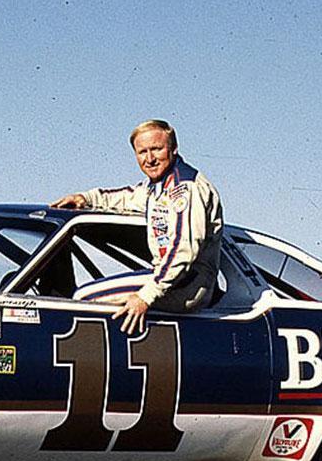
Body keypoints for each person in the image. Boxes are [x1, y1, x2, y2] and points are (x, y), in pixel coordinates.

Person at [50, 120, 224, 334]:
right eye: (142, 152)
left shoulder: (185, 188)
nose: (149, 159)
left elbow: (183, 252)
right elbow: (126, 197)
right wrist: (85, 198)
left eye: (157, 149)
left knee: (82, 298)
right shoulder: (158, 187)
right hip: (173, 281)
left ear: (174, 149)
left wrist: (145, 297)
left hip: (188, 284)